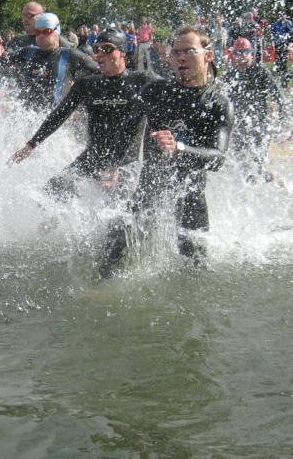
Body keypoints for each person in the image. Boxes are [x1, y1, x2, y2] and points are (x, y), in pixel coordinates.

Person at [98, 26, 233, 277]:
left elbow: (217, 159)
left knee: (194, 271)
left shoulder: (218, 103)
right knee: (113, 244)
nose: (181, 58)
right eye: (176, 52)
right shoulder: (157, 92)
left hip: (190, 195)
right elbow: (127, 128)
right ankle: (97, 292)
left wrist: (178, 148)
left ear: (208, 56)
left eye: (189, 51)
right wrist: (114, 165)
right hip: (149, 189)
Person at [10, 28, 157, 201]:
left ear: (123, 52)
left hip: (126, 163)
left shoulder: (142, 81)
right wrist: (31, 144)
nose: (100, 54)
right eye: (97, 49)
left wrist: (116, 165)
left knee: (115, 209)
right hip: (92, 159)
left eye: (107, 49)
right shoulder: (88, 85)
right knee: (51, 192)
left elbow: (167, 102)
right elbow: (59, 115)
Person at [220, 36, 284, 181]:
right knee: (242, 164)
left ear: (252, 54)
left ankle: (276, 180)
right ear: (233, 55)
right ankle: (250, 189)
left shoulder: (260, 72)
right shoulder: (230, 75)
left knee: (258, 164)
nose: (242, 55)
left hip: (259, 124)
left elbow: (279, 97)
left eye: (245, 52)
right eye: (238, 52)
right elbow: (225, 101)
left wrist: (278, 117)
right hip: (239, 126)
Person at [7, 12, 99, 111]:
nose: (41, 35)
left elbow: (102, 71)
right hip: (25, 114)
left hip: (54, 115)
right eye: (37, 32)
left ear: (57, 32)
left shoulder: (70, 55)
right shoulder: (27, 52)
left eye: (46, 31)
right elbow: (1, 61)